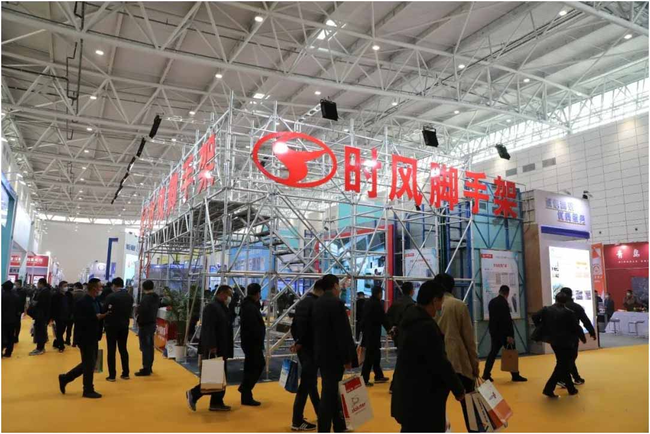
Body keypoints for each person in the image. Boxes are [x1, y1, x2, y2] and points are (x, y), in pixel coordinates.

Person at [391, 280, 464, 433]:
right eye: (440, 302)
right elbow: (440, 362)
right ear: (434, 300)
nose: (440, 307)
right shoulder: (426, 326)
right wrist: (458, 389)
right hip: (423, 398)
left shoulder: (408, 320)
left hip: (407, 394)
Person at [432, 273, 479, 431]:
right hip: (459, 363)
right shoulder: (458, 305)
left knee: (437, 406)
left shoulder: (430, 307)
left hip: (437, 363)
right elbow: (469, 339)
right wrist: (474, 364)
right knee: (469, 405)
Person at [312, 274, 356, 433]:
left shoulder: (317, 303)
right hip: (334, 356)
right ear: (335, 286)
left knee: (331, 389)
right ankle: (324, 429)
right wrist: (348, 358)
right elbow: (342, 333)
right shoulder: (336, 303)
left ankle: (339, 424)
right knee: (329, 394)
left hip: (321, 354)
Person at [58, 278, 110, 398]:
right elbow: (80, 320)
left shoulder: (96, 301)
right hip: (85, 336)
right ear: (94, 288)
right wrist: (97, 317)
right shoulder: (83, 302)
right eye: (99, 287)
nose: (101, 289)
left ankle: (66, 378)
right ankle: (87, 389)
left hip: (94, 335)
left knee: (90, 362)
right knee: (89, 363)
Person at [186, 285, 234, 412]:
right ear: (222, 293)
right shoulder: (211, 307)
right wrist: (212, 346)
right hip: (214, 347)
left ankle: (216, 402)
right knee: (214, 375)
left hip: (222, 346)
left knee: (220, 375)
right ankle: (194, 393)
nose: (229, 298)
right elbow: (209, 328)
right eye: (228, 295)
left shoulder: (222, 307)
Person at [532, 292, 584, 398]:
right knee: (563, 364)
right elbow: (576, 327)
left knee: (562, 364)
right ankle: (549, 388)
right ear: (566, 301)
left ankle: (571, 389)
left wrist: (541, 326)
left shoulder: (546, 309)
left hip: (553, 341)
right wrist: (582, 337)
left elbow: (535, 316)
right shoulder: (569, 313)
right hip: (565, 342)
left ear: (555, 299)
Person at [290, 279, 324, 432]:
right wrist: (302, 342)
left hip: (303, 348)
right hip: (310, 348)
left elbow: (295, 326)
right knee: (306, 385)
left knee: (310, 383)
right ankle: (297, 420)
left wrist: (298, 341)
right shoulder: (316, 304)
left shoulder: (302, 302)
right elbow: (311, 328)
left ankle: (320, 412)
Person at [482, 285, 527, 382]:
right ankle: (515, 375)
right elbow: (507, 320)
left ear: (499, 291)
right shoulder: (504, 303)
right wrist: (510, 335)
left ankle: (486, 374)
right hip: (505, 333)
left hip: (494, 332)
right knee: (511, 352)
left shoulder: (492, 302)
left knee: (493, 353)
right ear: (507, 293)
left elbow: (493, 319)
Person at [560, 287, 596, 386]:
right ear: (571, 295)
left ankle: (575, 378)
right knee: (570, 358)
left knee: (565, 359)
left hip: (558, 337)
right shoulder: (576, 307)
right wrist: (591, 332)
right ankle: (563, 378)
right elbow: (585, 320)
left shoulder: (555, 307)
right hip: (572, 336)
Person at [239, 283, 266, 406]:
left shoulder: (249, 305)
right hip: (252, 343)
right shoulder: (250, 307)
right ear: (257, 293)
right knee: (257, 365)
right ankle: (245, 388)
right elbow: (253, 327)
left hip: (250, 342)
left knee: (251, 367)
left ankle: (246, 394)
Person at [103, 277, 134, 381]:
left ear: (114, 285)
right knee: (123, 349)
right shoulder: (129, 296)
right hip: (124, 325)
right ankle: (126, 373)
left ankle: (112, 375)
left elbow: (104, 309)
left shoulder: (111, 296)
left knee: (111, 350)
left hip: (111, 325)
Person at [360, 285, 390, 386]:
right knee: (370, 357)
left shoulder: (367, 303)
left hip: (367, 333)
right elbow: (383, 318)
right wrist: (389, 329)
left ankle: (378, 375)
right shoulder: (377, 304)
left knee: (376, 355)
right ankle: (364, 379)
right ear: (379, 293)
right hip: (373, 333)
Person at [135, 280, 160, 376]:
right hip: (152, 323)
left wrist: (139, 320)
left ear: (143, 287)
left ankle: (146, 368)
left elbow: (143, 312)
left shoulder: (145, 298)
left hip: (145, 325)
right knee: (150, 347)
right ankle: (149, 367)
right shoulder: (156, 297)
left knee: (145, 347)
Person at [28, 278, 52, 356]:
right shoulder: (44, 291)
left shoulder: (44, 292)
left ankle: (40, 348)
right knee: (39, 331)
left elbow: (41, 304)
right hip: (41, 315)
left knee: (41, 332)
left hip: (41, 316)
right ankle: (39, 347)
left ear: (41, 283)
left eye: (38, 283)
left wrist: (34, 304)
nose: (37, 285)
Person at [50, 281, 71, 352]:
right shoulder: (56, 296)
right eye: (64, 286)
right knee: (59, 331)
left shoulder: (68, 295)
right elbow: (53, 306)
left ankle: (56, 342)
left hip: (66, 316)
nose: (66, 287)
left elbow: (71, 305)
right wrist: (52, 317)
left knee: (62, 330)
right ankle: (61, 346)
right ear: (60, 287)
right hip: (58, 316)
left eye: (67, 285)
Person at [2, 281, 20, 358]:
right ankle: (8, 352)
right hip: (13, 320)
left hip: (2, 319)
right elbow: (18, 309)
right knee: (10, 336)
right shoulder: (16, 297)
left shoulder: (2, 296)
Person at [13, 279, 27, 343]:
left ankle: (16, 337)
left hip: (18, 310)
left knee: (17, 324)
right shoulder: (14, 290)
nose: (15, 285)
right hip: (13, 309)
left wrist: (21, 310)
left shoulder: (23, 291)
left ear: (19, 284)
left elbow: (22, 302)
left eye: (16, 284)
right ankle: (13, 336)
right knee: (13, 324)